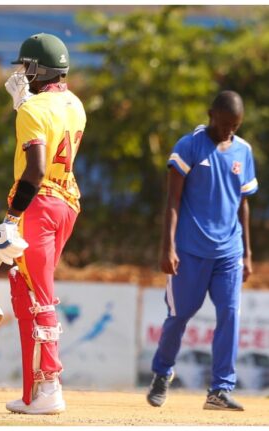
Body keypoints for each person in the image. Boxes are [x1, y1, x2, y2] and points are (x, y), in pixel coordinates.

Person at [0, 33, 86, 414]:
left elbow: (36, 169)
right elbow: (53, 124)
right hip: (67, 203)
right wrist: (24, 106)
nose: (22, 73)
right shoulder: (76, 104)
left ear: (39, 68)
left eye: (27, 66)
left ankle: (50, 387)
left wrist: (12, 216)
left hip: (40, 205)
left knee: (38, 295)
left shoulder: (33, 110)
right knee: (24, 287)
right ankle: (34, 391)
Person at [147, 91, 257, 411]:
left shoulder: (243, 151)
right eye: (224, 124)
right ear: (211, 115)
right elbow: (173, 201)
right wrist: (167, 247)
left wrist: (247, 254)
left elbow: (243, 206)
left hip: (229, 252)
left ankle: (220, 390)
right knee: (179, 316)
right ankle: (162, 372)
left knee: (230, 314)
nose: (229, 131)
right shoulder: (189, 146)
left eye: (235, 126)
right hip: (190, 252)